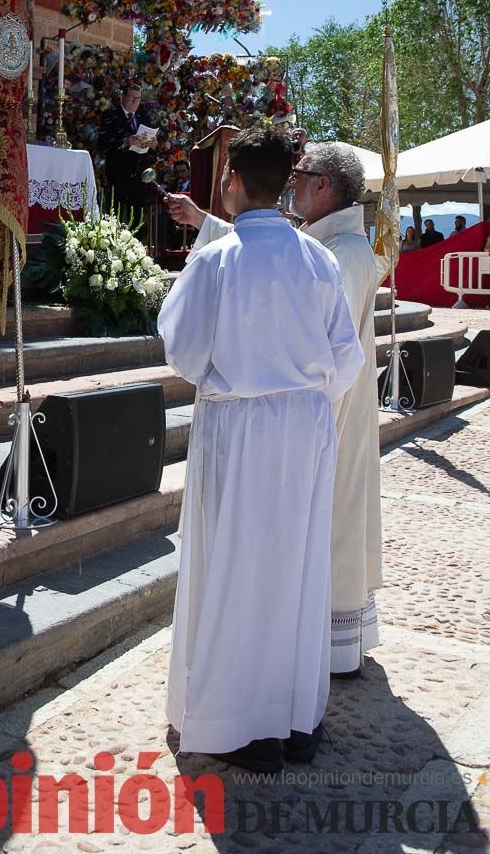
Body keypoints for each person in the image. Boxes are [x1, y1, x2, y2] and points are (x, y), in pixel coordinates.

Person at [159, 128, 364, 774]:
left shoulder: (217, 261)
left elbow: (185, 351)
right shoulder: (318, 259)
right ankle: (295, 716)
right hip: (303, 430)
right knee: (295, 571)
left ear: (233, 181)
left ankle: (241, 726)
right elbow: (346, 356)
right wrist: (302, 401)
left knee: (234, 572)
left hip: (238, 431)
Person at [288, 143, 383, 676]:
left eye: (301, 175)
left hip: (331, 416)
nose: (293, 184)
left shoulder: (342, 254)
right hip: (334, 410)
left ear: (324, 185)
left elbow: (331, 349)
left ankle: (329, 646)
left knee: (332, 520)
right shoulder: (332, 244)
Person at [97, 80, 157, 215]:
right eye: (131, 98)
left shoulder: (143, 116)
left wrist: (153, 144)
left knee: (138, 219)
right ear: (123, 97)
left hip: (139, 175)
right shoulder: (110, 115)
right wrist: (125, 142)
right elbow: (102, 144)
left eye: (138, 99)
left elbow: (151, 139)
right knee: (115, 217)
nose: (134, 102)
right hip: (118, 174)